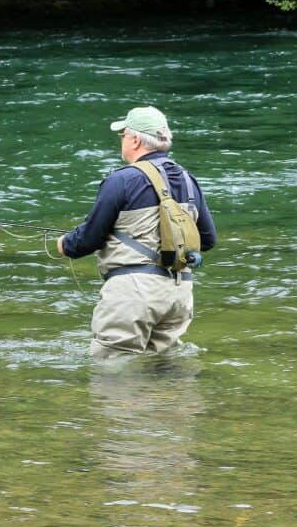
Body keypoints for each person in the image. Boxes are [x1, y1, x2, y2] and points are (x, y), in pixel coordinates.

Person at [57, 106, 216, 357]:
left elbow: (87, 240)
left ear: (135, 139)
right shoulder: (188, 179)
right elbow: (207, 240)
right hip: (179, 293)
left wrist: (65, 243)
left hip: (133, 294)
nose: (122, 142)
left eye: (123, 136)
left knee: (112, 367)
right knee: (164, 369)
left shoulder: (122, 180)